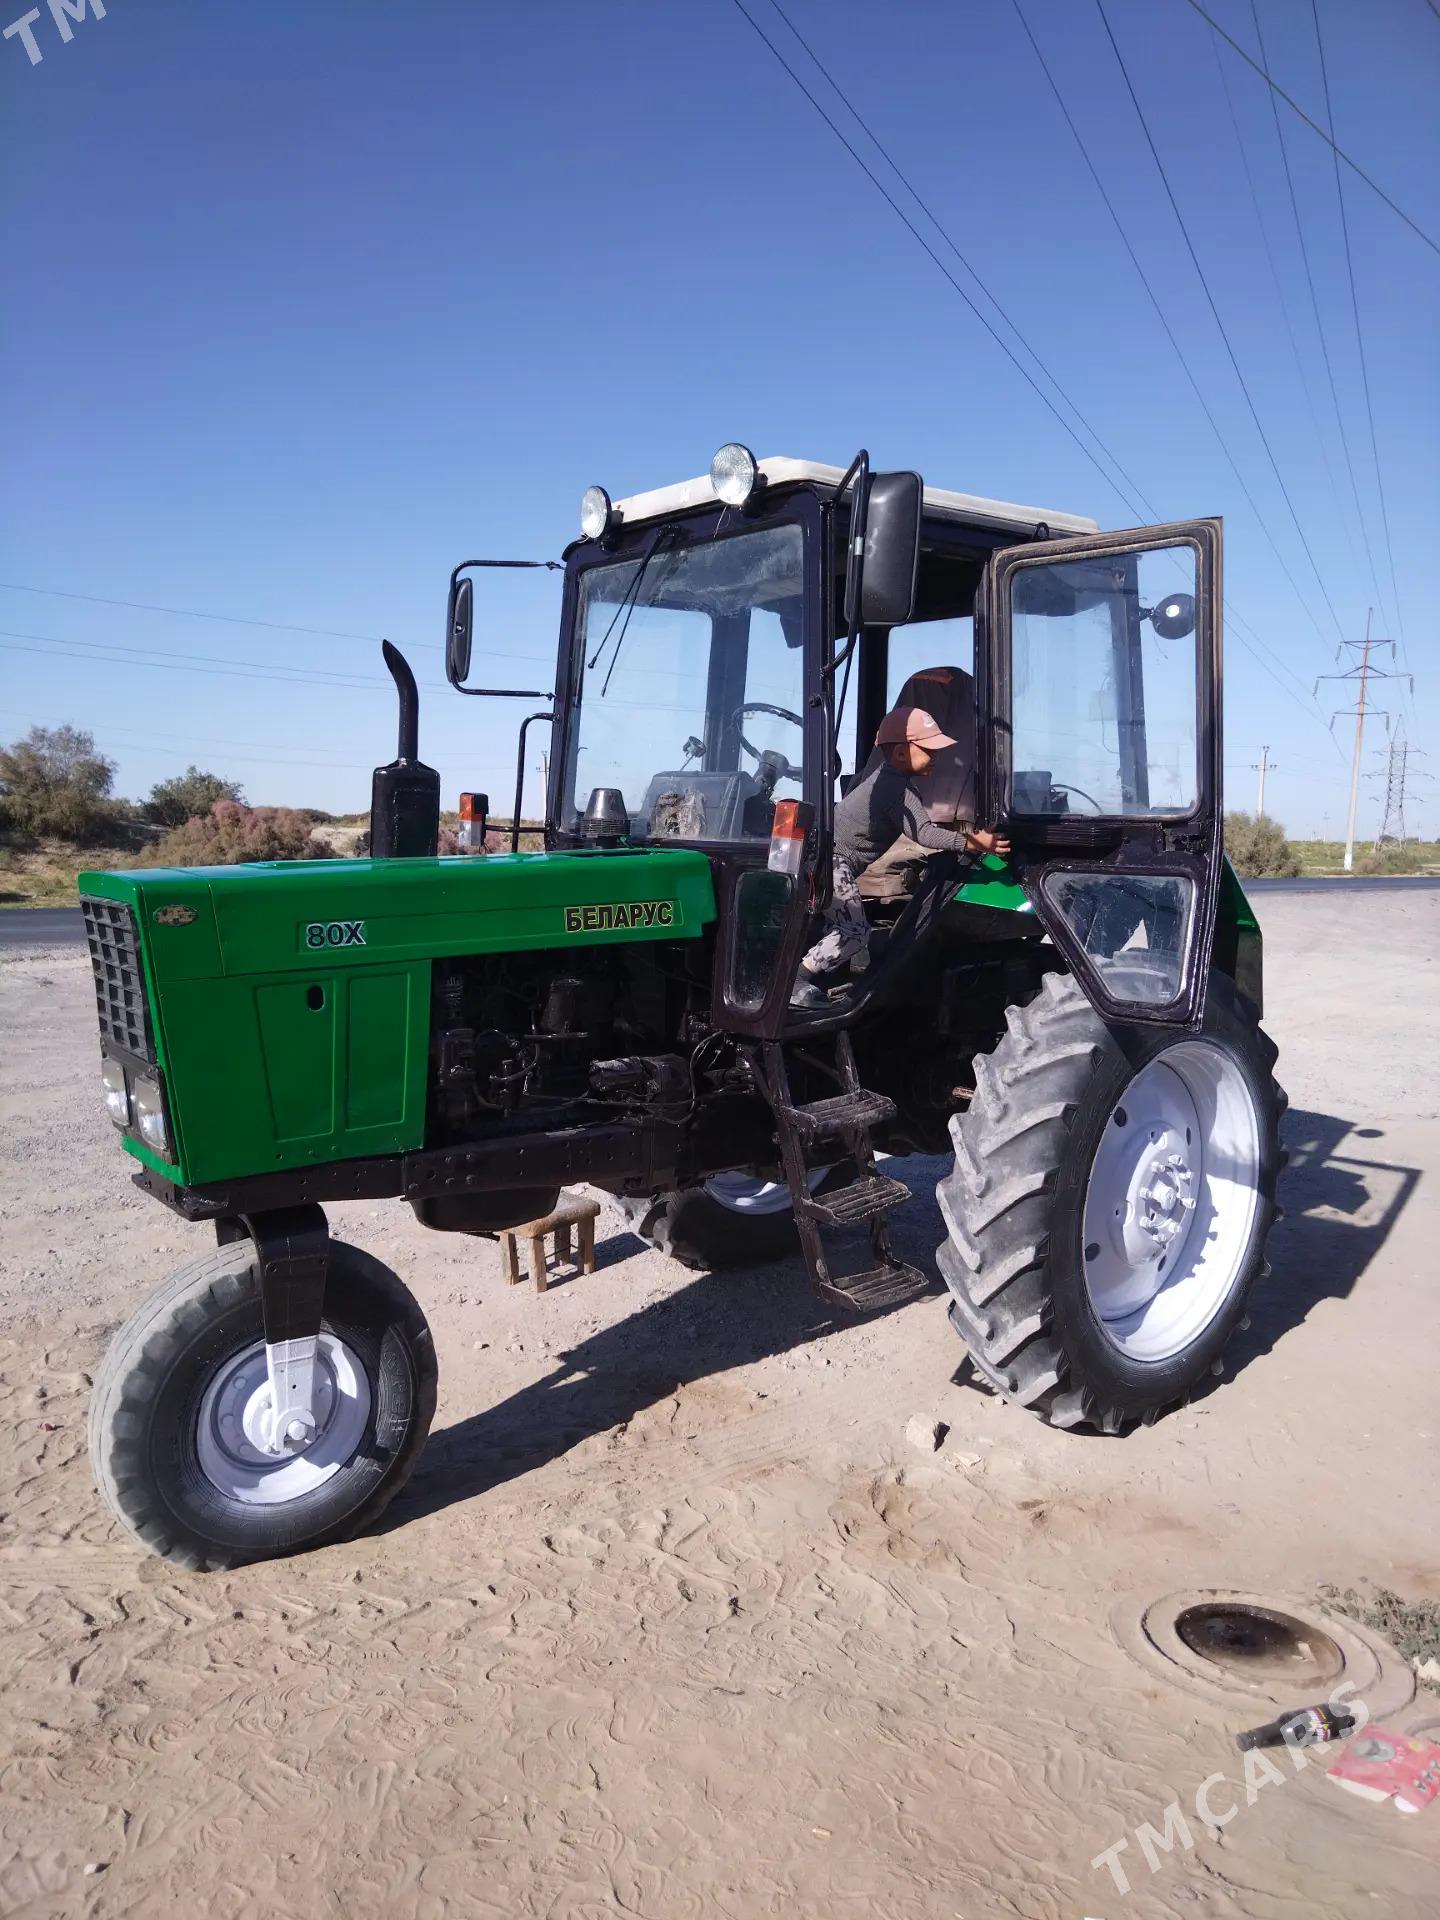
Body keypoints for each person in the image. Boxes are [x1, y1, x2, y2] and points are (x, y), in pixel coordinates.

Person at [790, 703, 1010, 1007]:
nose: (936, 756)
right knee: (855, 932)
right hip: (832, 862)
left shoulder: (886, 779)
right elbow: (925, 834)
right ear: (901, 752)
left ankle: (834, 976)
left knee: (838, 923)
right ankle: (798, 979)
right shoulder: (895, 789)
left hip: (821, 859)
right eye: (929, 750)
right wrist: (974, 842)